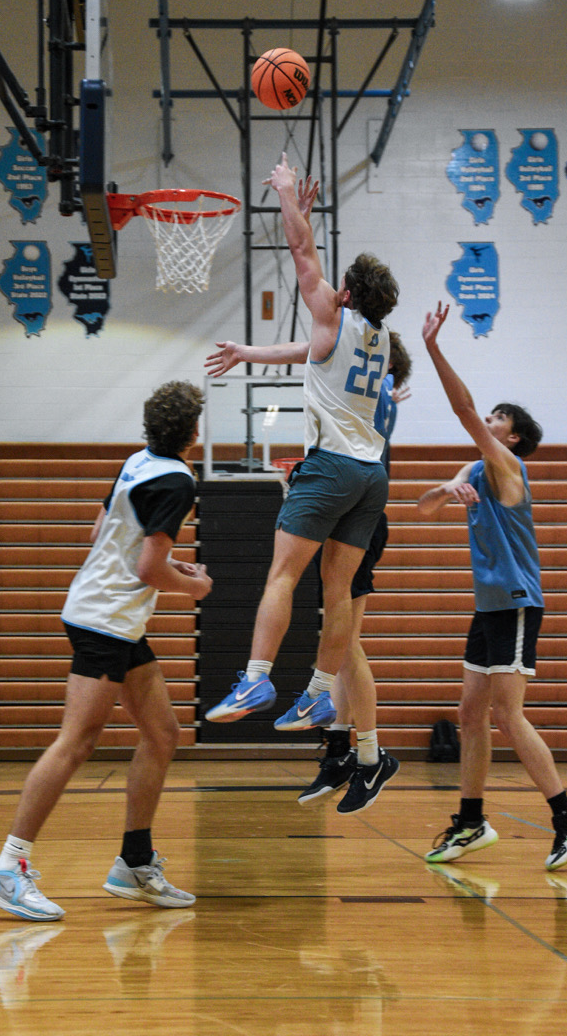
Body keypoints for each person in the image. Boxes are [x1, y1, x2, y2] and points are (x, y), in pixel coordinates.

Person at [205, 152, 401, 816]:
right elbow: (308, 350)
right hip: (372, 476)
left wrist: (288, 195)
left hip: (331, 465)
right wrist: (248, 354)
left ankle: (257, 680)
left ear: (345, 292)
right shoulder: (376, 336)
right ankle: (320, 689)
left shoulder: (332, 313)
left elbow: (299, 250)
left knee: (282, 577)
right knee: (337, 589)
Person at [0, 381, 212, 920]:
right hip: (105, 621)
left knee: (162, 734)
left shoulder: (138, 462)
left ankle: (133, 863)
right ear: (193, 433)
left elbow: (100, 531)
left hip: (113, 618)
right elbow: (147, 569)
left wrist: (173, 570)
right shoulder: (177, 481)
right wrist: (195, 585)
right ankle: (7, 869)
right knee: (76, 742)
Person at [203, 332, 412, 807]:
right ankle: (341, 749)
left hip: (360, 514)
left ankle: (370, 755)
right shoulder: (375, 397)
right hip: (356, 506)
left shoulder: (370, 391)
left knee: (347, 642)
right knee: (337, 638)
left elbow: (319, 352)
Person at [418, 301, 567, 870]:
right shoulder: (473, 472)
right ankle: (470, 821)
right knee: (470, 715)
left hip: (517, 603)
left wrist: (435, 349)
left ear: (511, 439)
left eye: (498, 420)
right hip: (488, 607)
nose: (486, 422)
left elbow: (463, 408)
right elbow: (422, 510)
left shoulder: (508, 469)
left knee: (508, 716)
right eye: (489, 417)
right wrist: (447, 492)